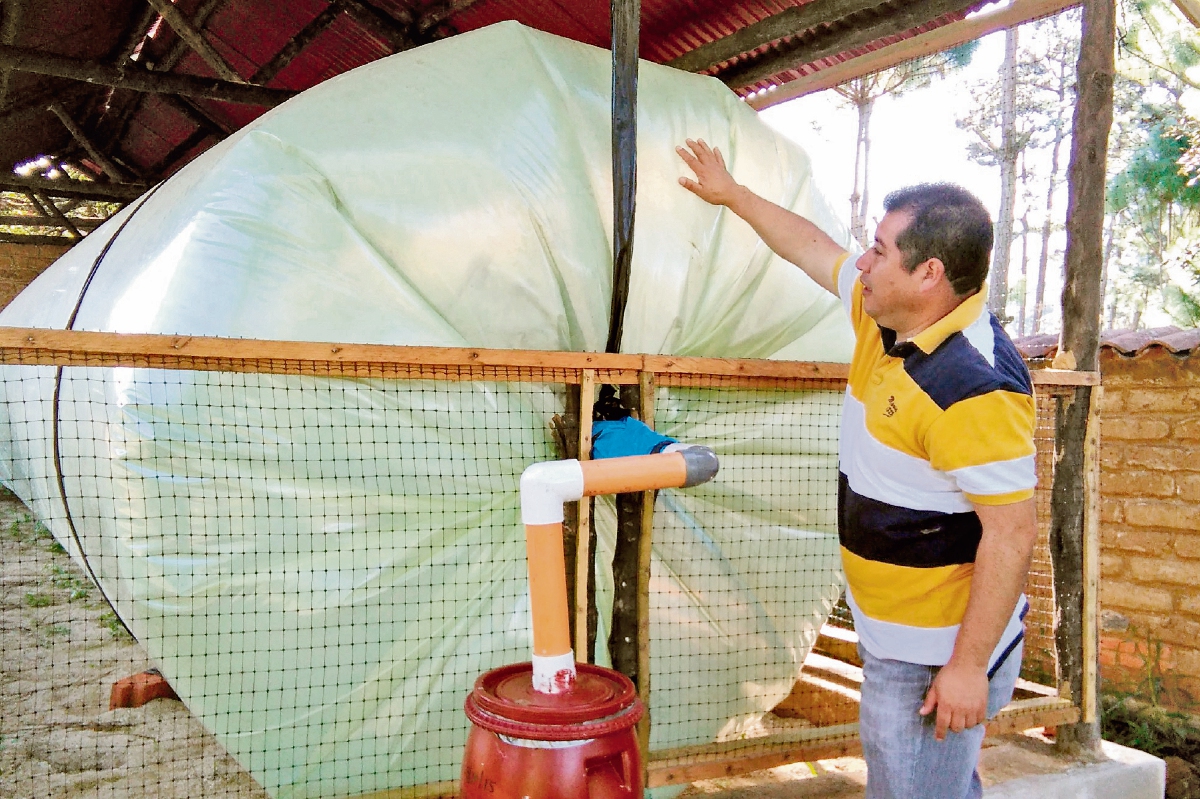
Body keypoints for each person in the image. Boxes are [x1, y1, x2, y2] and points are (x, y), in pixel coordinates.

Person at [676, 139, 1038, 799]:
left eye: (878, 249)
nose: (861, 262)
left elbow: (1012, 533)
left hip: (932, 658)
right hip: (897, 635)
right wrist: (731, 193)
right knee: (942, 787)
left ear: (929, 273)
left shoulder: (973, 386)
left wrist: (965, 667)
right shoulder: (888, 315)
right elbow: (811, 247)